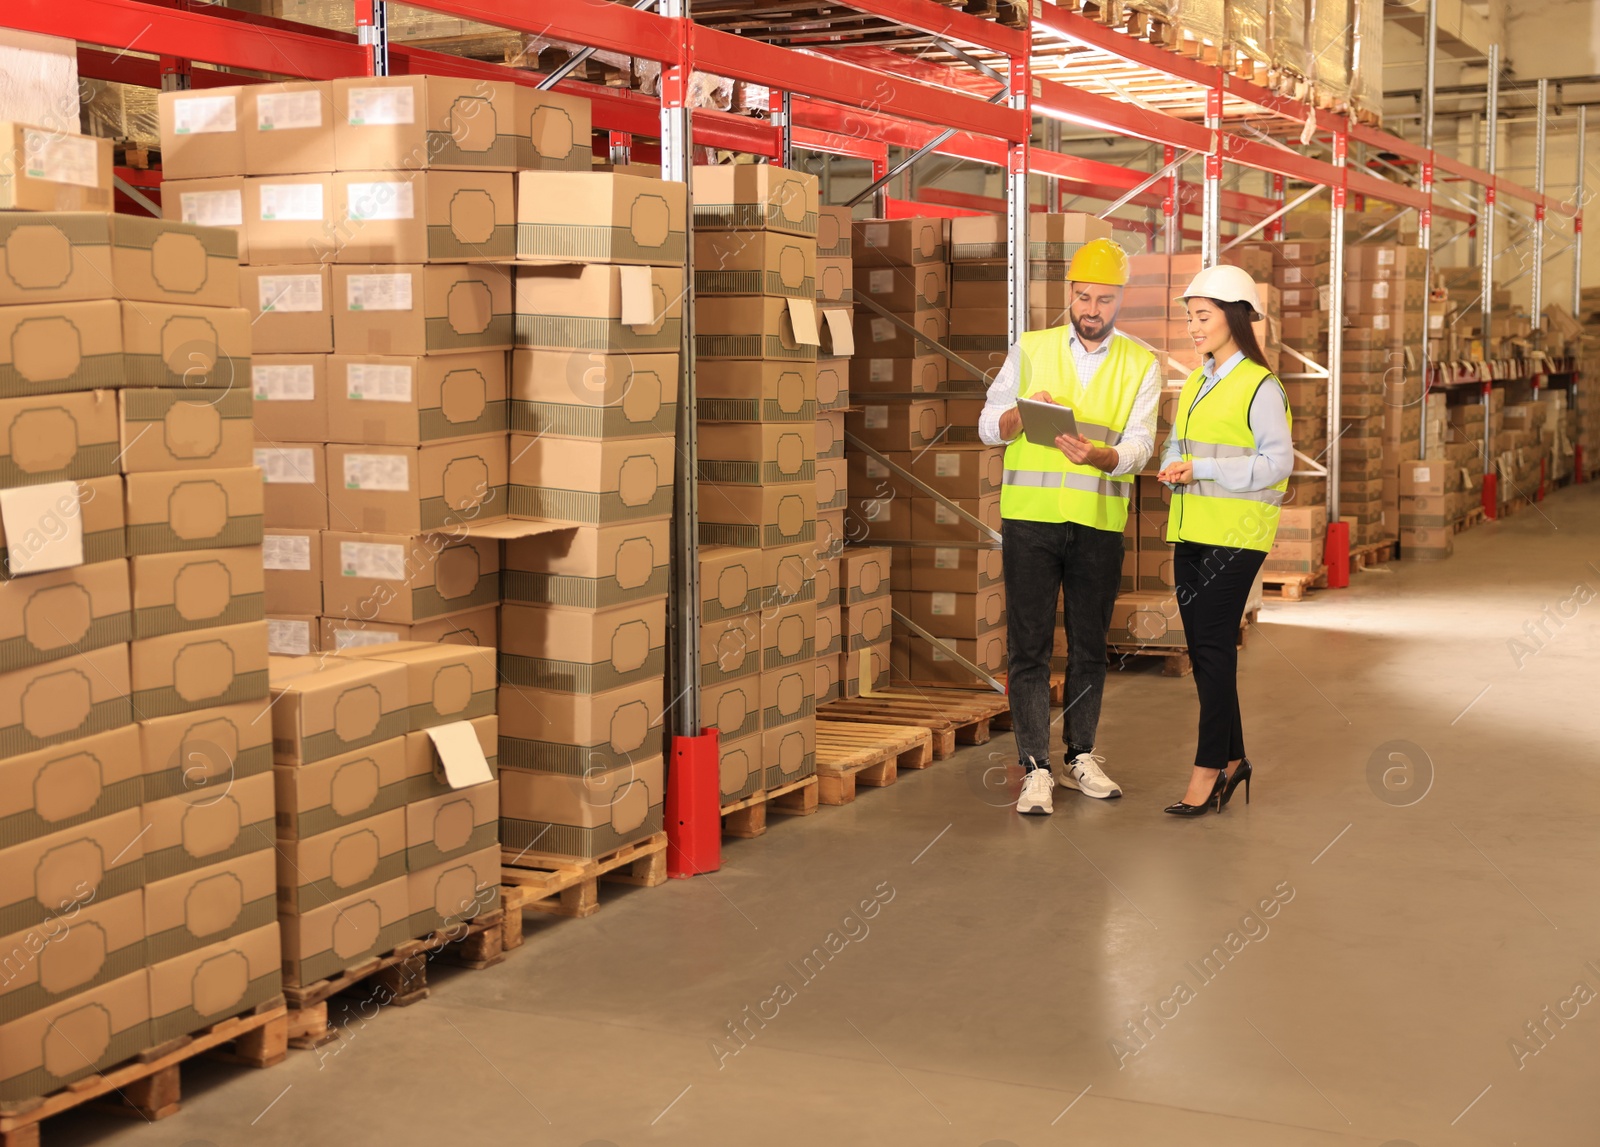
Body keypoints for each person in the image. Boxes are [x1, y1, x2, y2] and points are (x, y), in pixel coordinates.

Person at [978, 238, 1162, 816]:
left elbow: (1140, 446)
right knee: (1028, 646)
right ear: (1070, 295)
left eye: (1104, 300)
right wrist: (1019, 411)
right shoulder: (1029, 350)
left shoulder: (1142, 363)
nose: (1092, 309)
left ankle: (1081, 753)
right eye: (1084, 297)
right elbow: (988, 425)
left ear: (1119, 301)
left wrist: (1102, 457)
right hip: (1030, 522)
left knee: (1089, 646)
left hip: (1097, 524)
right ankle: (1035, 766)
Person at [1155, 264, 1294, 816]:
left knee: (1212, 652)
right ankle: (1235, 760)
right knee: (1205, 651)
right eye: (1189, 317)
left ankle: (1208, 768)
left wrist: (1205, 471)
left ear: (1234, 318)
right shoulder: (1196, 379)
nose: (1192, 327)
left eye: (1202, 316)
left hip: (1236, 537)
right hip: (1191, 530)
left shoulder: (1262, 386)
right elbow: (1177, 443)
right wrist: (1173, 466)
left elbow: (1278, 463)